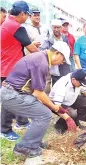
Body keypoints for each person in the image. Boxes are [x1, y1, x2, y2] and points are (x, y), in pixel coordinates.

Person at [1, 41, 73, 157]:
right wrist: (54, 107)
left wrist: (50, 104)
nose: (62, 63)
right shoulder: (41, 63)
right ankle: (24, 147)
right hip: (11, 95)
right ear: (58, 53)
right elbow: (39, 93)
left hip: (11, 92)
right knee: (44, 114)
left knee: (40, 110)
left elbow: (37, 93)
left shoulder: (40, 58)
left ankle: (35, 140)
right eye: (63, 59)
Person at [1, 0, 39, 136]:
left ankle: (21, 121)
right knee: (9, 99)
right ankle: (4, 130)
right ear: (22, 13)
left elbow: (17, 44)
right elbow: (32, 48)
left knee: (19, 96)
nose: (28, 18)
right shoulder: (16, 26)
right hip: (10, 69)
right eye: (27, 15)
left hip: (8, 66)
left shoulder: (7, 23)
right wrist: (46, 56)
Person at [40, 19, 71, 86]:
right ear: (52, 28)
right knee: (56, 84)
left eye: (58, 27)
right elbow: (43, 51)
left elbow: (68, 50)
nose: (56, 30)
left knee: (65, 84)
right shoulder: (48, 39)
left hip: (64, 65)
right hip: (54, 66)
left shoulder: (64, 38)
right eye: (54, 27)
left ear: (61, 28)